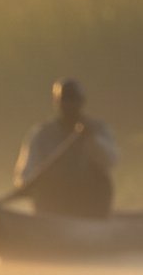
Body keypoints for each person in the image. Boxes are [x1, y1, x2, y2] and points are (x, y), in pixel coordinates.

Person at [12, 78, 118, 218]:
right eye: (65, 100)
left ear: (82, 102)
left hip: (88, 203)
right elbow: (25, 175)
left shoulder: (97, 129)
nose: (69, 104)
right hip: (53, 204)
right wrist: (28, 187)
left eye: (73, 99)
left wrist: (91, 139)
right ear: (57, 102)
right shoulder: (41, 134)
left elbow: (111, 160)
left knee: (102, 180)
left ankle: (96, 221)